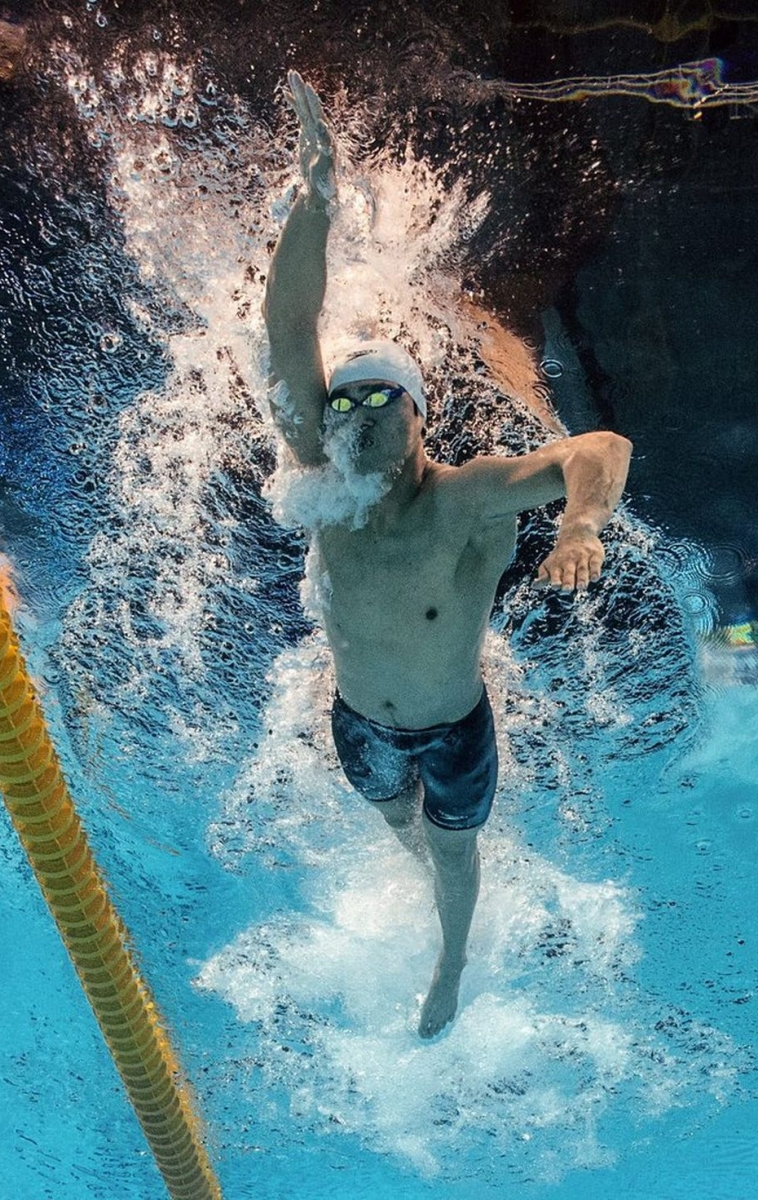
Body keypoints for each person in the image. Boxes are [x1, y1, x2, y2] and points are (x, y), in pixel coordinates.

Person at [263, 72, 632, 1039]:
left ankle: (452, 957)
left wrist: (579, 527)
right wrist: (318, 196)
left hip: (453, 729)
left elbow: (597, 451)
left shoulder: (464, 496)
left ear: (419, 416)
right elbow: (287, 326)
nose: (354, 415)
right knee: (400, 833)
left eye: (379, 398)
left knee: (454, 853)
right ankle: (414, 865)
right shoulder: (325, 480)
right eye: (342, 402)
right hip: (356, 723)